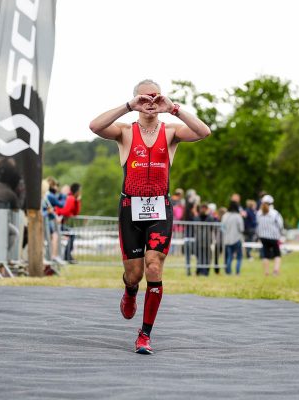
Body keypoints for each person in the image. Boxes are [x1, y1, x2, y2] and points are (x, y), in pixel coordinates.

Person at [89, 79, 211, 354]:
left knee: (153, 266)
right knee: (134, 274)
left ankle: (144, 334)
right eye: (144, 99)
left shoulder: (170, 132)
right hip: (130, 208)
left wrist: (174, 109)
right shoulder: (125, 132)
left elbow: (204, 132)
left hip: (159, 208)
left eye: (155, 98)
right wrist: (128, 107)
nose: (150, 103)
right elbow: (95, 126)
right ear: (136, 101)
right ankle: (130, 291)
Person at [256, 195, 284, 276]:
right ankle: (275, 270)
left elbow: (257, 225)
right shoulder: (275, 213)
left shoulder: (259, 213)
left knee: (265, 254)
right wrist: (281, 234)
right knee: (277, 254)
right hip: (274, 237)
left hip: (263, 236)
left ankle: (266, 271)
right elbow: (280, 225)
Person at [57, 183, 82, 263]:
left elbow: (76, 213)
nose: (81, 192)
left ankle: (67, 255)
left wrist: (77, 201)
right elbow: (66, 211)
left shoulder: (72, 199)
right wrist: (69, 214)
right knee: (72, 234)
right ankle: (67, 256)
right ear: (77, 191)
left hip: (60, 223)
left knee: (72, 234)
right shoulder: (70, 198)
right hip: (57, 223)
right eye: (80, 190)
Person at [222, 200, 244, 275]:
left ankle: (228, 272)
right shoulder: (238, 216)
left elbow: (222, 228)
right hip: (237, 238)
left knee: (229, 256)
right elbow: (241, 228)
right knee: (239, 257)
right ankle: (237, 272)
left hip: (227, 239)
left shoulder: (225, 216)